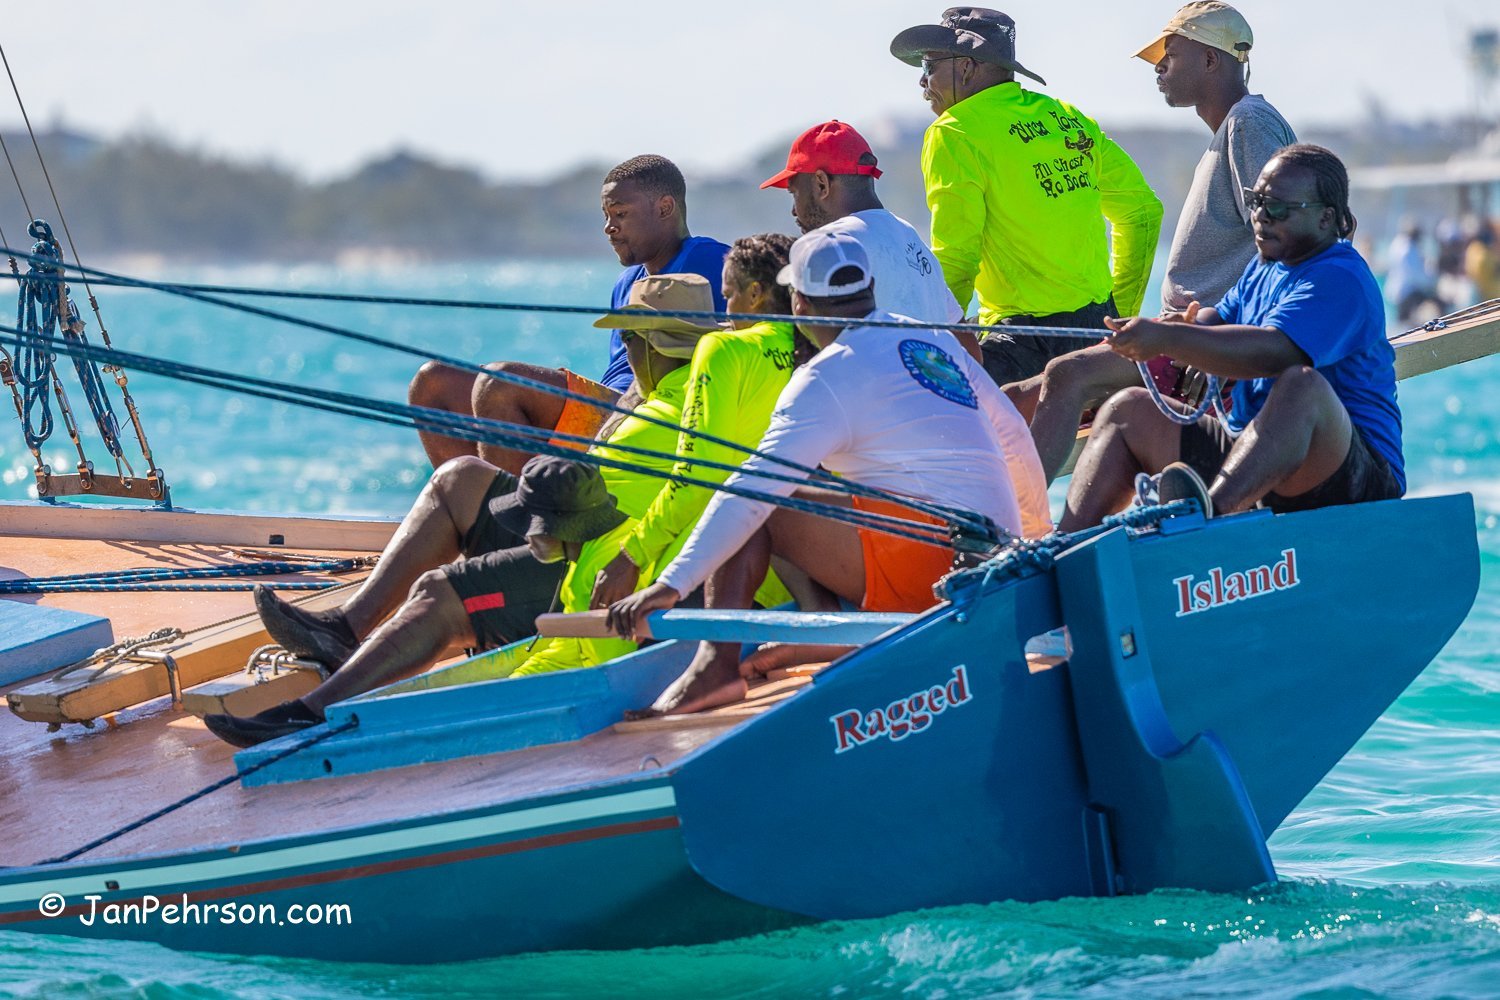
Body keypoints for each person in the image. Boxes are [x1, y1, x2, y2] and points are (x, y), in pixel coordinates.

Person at [203, 277, 720, 747]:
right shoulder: (656, 393)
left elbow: (687, 496)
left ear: (652, 345)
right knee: (460, 477)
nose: (624, 352)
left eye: (630, 340)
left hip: (596, 564)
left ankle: (309, 715)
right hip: (572, 531)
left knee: (440, 592)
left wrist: (629, 556)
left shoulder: (695, 405)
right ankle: (344, 629)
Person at [607, 229, 1050, 717]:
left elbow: (751, 489)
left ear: (798, 302)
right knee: (814, 478)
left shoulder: (824, 378)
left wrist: (669, 585)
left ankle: (714, 670)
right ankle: (830, 634)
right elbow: (1012, 435)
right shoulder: (925, 334)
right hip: (991, 562)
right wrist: (1026, 548)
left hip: (939, 575)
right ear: (869, 290)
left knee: (770, 498)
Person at [1010, 1, 1297, 484]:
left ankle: (1019, 525)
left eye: (1171, 53)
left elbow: (1284, 242)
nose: (1159, 66)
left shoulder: (1249, 122)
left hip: (1201, 337)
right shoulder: (1233, 127)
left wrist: (1218, 345)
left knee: (1066, 375)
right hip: (1187, 334)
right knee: (1017, 395)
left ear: (1212, 59)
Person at [1059, 145, 1403, 530]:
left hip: (1355, 477)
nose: (1259, 217)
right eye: (1256, 202)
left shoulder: (1341, 277)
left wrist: (1168, 340)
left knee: (1301, 386)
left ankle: (1210, 518)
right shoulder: (1264, 265)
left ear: (1326, 219)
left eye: (1277, 208)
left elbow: (1275, 353)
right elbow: (1219, 319)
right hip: (1256, 462)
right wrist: (1185, 330)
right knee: (1126, 412)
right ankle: (1061, 550)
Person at [205, 457, 649, 748]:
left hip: (612, 696)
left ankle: (306, 717)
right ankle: (325, 673)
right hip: (575, 672)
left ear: (549, 527)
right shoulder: (584, 561)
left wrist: (498, 699)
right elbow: (562, 651)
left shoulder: (601, 576)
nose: (523, 536)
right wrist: (503, 684)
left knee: (440, 589)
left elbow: (611, 666)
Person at [888, 7, 1163, 387]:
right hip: (1094, 333)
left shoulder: (953, 132)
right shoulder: (1067, 116)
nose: (922, 81)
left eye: (929, 66)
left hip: (1022, 344)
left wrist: (931, 345)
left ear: (966, 67)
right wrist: (1119, 316)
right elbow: (1143, 212)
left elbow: (957, 257)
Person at [407, 155, 729, 471]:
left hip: (650, 418)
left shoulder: (712, 261)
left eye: (620, 214)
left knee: (499, 384)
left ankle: (507, 519)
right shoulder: (627, 282)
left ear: (664, 208)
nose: (608, 228)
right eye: (605, 215)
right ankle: (473, 509)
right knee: (433, 383)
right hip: (606, 415)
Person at [589, 235, 802, 612]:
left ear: (755, 294)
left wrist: (631, 556)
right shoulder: (815, 345)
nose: (728, 313)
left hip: (732, 576)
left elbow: (696, 475)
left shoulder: (724, 348)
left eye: (730, 296)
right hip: (803, 563)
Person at [760, 119, 974, 359]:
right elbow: (971, 351)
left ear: (821, 184)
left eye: (794, 194)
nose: (793, 211)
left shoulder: (831, 246)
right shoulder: (910, 237)